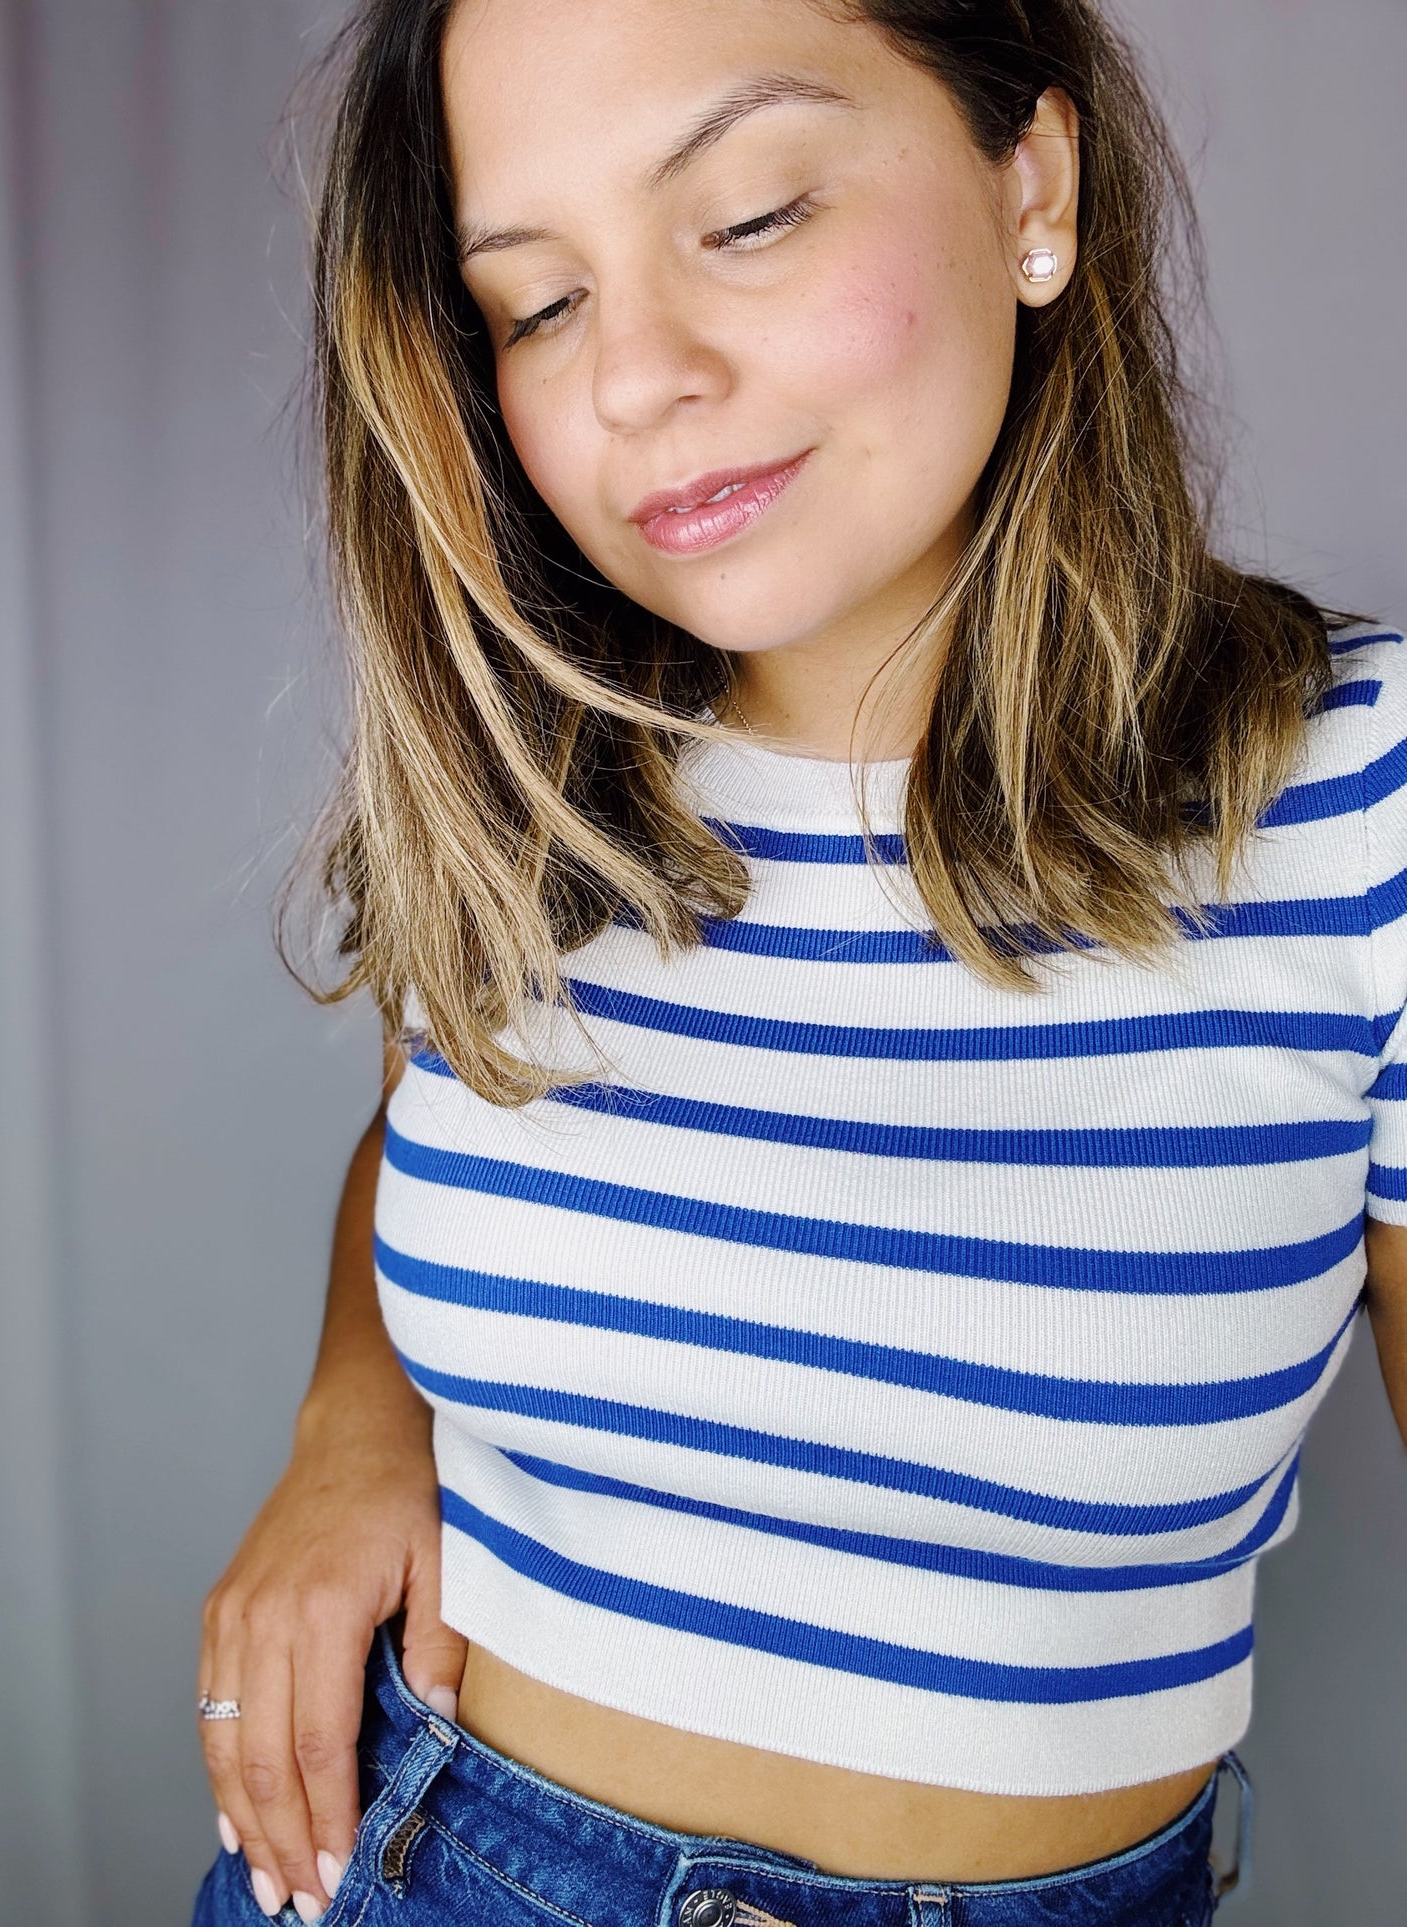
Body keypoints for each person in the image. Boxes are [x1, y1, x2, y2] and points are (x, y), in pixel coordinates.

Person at [190, 1, 1407, 1922]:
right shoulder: (534, 783)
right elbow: (433, 1126)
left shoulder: (1361, 810)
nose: (636, 382)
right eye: (536, 304)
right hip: (434, 1860)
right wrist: (357, 1422)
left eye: (747, 215)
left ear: (1033, 185)